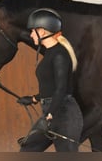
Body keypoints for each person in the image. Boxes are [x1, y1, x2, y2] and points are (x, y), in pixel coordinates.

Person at [17, 8, 83, 152]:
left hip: (64, 115)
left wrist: (50, 113)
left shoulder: (59, 55)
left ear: (42, 31)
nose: (30, 34)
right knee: (28, 150)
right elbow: (51, 87)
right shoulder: (50, 53)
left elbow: (61, 88)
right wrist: (34, 98)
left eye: (32, 31)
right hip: (52, 111)